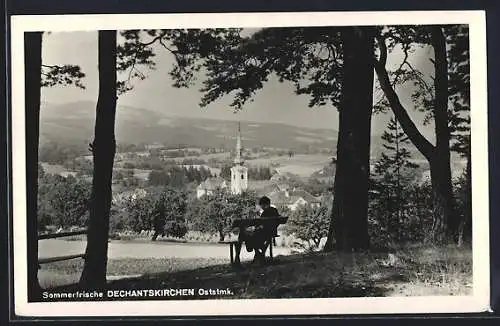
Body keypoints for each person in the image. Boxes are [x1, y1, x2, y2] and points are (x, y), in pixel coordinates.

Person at [234, 196, 280, 265]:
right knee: (247, 234)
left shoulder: (266, 212)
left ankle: (238, 257)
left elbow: (261, 224)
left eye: (261, 205)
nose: (261, 207)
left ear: (265, 204)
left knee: (243, 235)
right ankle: (258, 254)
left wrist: (254, 228)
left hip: (264, 233)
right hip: (270, 232)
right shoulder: (274, 210)